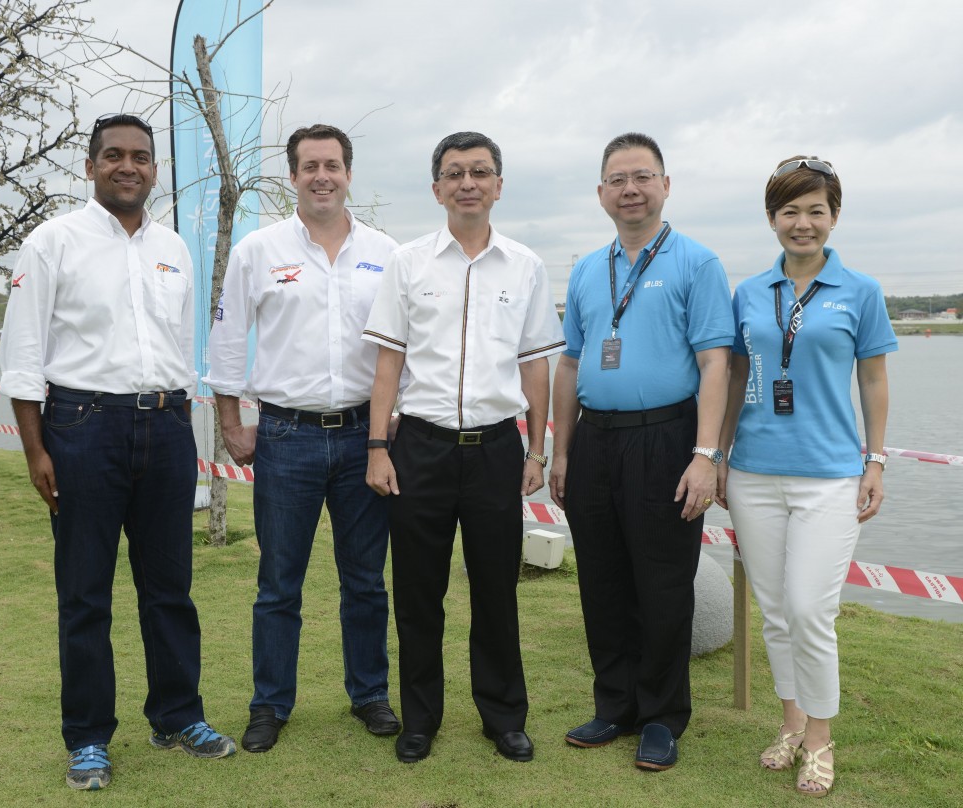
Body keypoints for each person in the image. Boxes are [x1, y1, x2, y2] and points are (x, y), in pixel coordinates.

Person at [0, 113, 235, 791]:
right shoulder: (53, 242)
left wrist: (184, 423)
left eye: (139, 157)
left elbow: (179, 349)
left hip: (164, 428)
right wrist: (35, 450)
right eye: (113, 156)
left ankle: (176, 716)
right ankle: (89, 740)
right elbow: (22, 355)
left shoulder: (175, 249)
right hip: (81, 427)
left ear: (155, 169)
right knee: (85, 594)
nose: (127, 166)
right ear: (90, 165)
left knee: (169, 588)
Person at [363, 131, 564, 764]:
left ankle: (503, 716)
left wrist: (537, 453)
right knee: (418, 592)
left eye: (480, 172)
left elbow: (536, 368)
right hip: (418, 446)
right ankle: (420, 719)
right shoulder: (408, 262)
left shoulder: (526, 266)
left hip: (496, 451)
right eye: (455, 173)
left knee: (495, 590)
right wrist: (377, 446)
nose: (467, 182)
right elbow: (387, 364)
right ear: (437, 188)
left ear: (498, 185)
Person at [204, 124, 400, 753]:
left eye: (333, 165)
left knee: (365, 579)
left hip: (364, 438)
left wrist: (390, 431)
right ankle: (270, 704)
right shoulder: (258, 249)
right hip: (285, 435)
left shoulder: (386, 252)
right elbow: (230, 340)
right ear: (292, 175)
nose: (323, 176)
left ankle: (369, 694)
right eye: (310, 165)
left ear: (349, 174)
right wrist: (230, 422)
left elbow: (403, 347)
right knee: (279, 581)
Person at [549, 132, 733, 771]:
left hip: (666, 439)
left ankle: (661, 715)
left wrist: (706, 455)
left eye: (642, 177)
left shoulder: (696, 263)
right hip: (594, 439)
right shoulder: (584, 268)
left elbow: (716, 363)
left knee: (662, 582)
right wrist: (561, 450)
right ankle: (615, 705)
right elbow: (570, 364)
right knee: (601, 578)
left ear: (664, 185)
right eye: (617, 179)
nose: (630, 189)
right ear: (601, 192)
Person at [715, 156, 896, 798]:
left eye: (815, 210)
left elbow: (872, 379)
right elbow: (736, 378)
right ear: (772, 219)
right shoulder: (748, 293)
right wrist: (717, 456)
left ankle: (820, 738)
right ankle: (790, 723)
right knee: (774, 612)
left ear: (834, 216)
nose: (803, 223)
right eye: (789, 211)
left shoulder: (861, 291)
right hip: (754, 474)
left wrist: (875, 460)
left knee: (808, 609)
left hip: (830, 476)